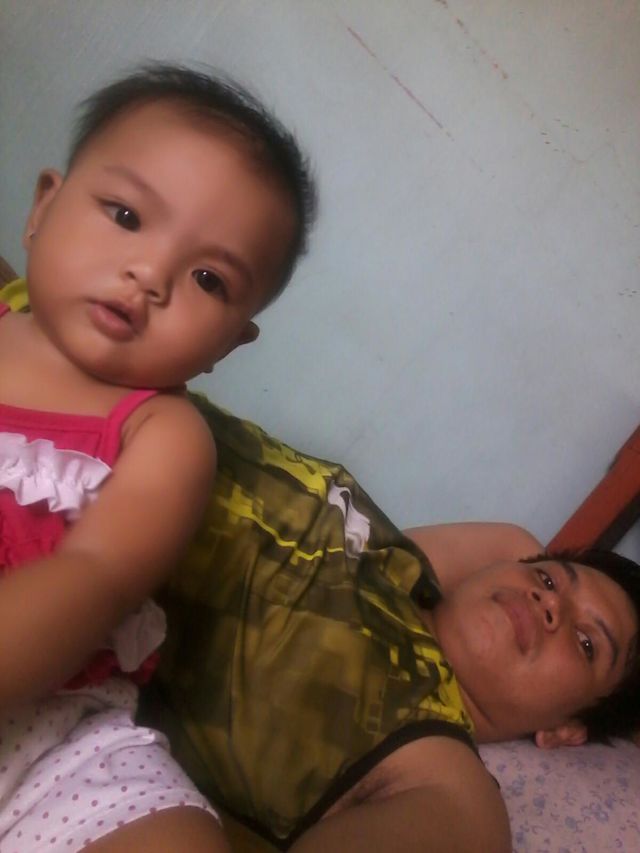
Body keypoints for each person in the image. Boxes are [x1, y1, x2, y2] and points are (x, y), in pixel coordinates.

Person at [0, 62, 316, 853]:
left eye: (209, 278)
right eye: (127, 215)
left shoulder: (164, 433)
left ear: (229, 344)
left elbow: (97, 574)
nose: (150, 274)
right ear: (43, 207)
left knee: (177, 837)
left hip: (50, 736)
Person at [140, 399, 640, 852]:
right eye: (549, 580)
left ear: (566, 730)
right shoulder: (402, 567)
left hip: (119, 528)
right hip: (144, 412)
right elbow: (515, 545)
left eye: (586, 643)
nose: (548, 603)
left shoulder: (443, 779)